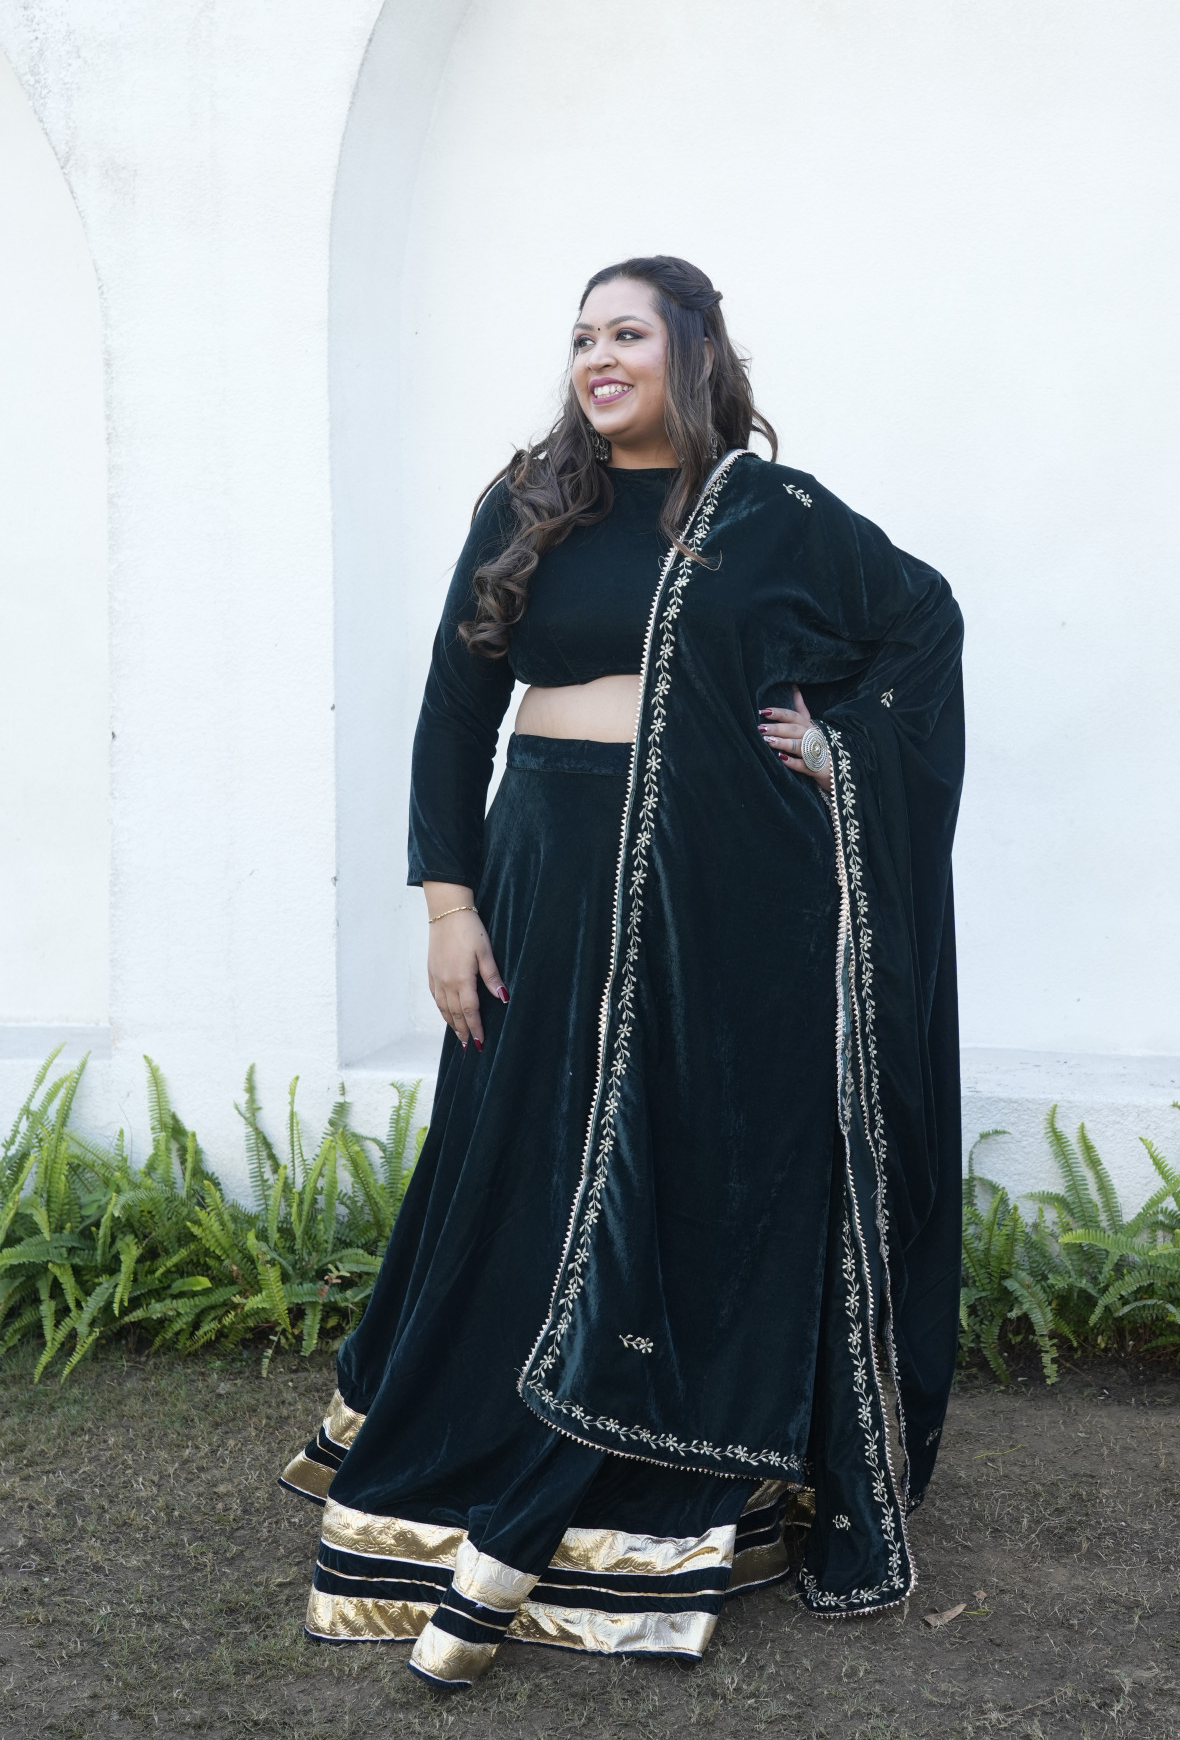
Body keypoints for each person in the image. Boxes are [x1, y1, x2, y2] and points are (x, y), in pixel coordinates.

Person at [280, 255, 965, 1691]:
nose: (598, 357)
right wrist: (443, 904)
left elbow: (920, 625)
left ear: (693, 352)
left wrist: (833, 745)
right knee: (527, 1150)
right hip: (539, 872)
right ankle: (477, 1441)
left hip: (712, 884)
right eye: (582, 335)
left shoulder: (765, 514)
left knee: (669, 1152)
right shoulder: (535, 494)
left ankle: (642, 1474)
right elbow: (453, 701)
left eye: (627, 333)